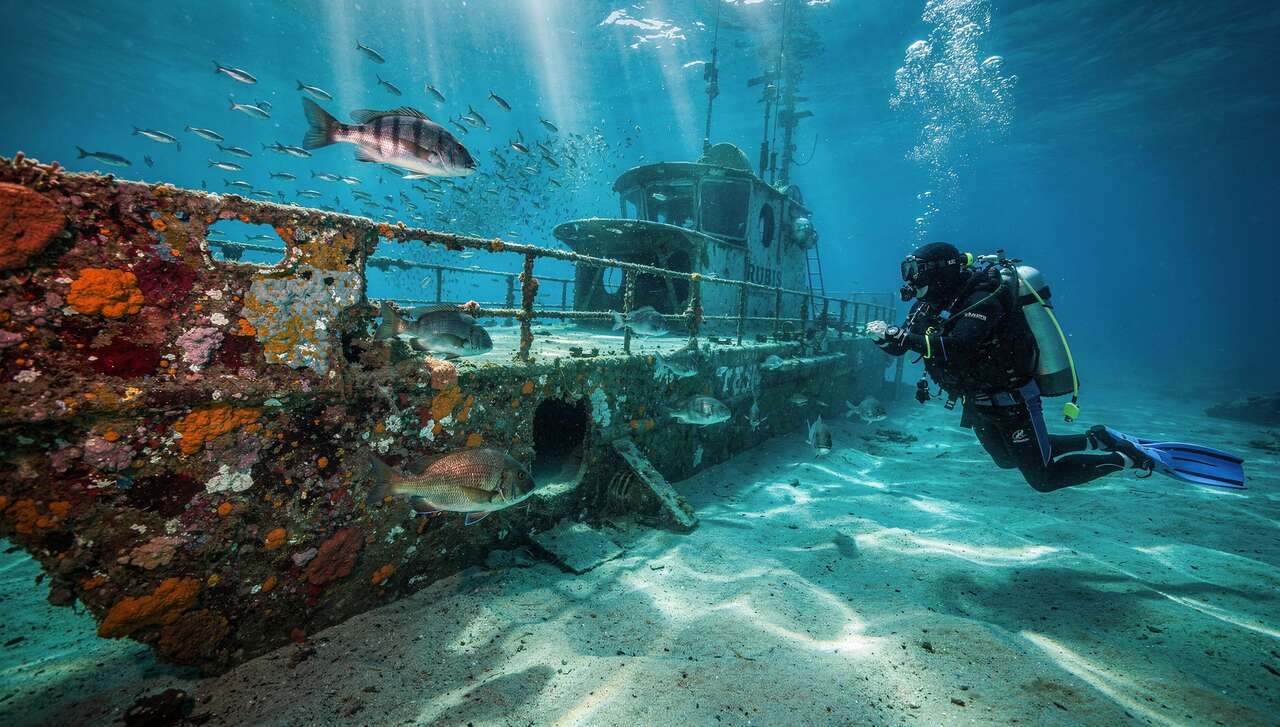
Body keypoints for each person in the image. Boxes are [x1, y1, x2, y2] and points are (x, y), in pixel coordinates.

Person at [863, 242, 1245, 492]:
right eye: (907, 272)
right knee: (1004, 460)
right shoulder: (932, 303)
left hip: (1011, 399)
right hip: (975, 400)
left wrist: (903, 338)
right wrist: (890, 340)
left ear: (939, 271)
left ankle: (1127, 458)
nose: (910, 282)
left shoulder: (986, 294)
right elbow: (905, 347)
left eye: (916, 273)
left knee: (1042, 478)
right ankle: (1097, 438)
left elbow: (959, 346)